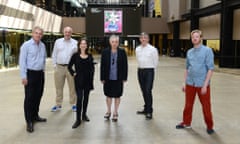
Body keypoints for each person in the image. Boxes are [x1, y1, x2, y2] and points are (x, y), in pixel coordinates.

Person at [176, 29, 215, 135]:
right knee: (188, 105)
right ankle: (186, 122)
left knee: (206, 106)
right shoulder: (189, 52)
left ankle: (209, 126)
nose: (194, 38)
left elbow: (210, 69)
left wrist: (205, 85)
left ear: (201, 38)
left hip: (202, 84)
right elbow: (187, 68)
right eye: (193, 37)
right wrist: (184, 82)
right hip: (190, 83)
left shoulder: (207, 51)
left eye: (197, 37)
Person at [19, 26, 47, 133]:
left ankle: (35, 116)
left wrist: (43, 70)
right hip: (30, 74)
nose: (38, 35)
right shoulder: (26, 46)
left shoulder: (43, 45)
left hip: (40, 74)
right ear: (32, 33)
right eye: (36, 33)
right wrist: (23, 76)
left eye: (40, 33)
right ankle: (29, 121)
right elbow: (22, 62)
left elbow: (43, 59)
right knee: (29, 98)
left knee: (38, 95)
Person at [68, 38, 95, 129]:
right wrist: (73, 73)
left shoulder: (90, 56)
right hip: (78, 80)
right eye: (81, 43)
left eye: (85, 44)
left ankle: (84, 115)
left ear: (87, 46)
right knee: (79, 98)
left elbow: (92, 68)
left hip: (88, 81)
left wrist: (91, 79)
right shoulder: (75, 56)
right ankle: (78, 119)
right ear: (79, 45)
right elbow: (69, 66)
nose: (83, 45)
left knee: (86, 98)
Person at [100, 35, 128, 122]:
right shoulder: (105, 52)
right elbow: (102, 66)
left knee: (117, 95)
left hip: (118, 78)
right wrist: (102, 77)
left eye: (116, 42)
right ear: (110, 42)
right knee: (108, 95)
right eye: (113, 42)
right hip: (108, 78)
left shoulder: (122, 52)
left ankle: (115, 112)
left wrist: (124, 77)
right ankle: (108, 111)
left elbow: (125, 66)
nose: (114, 43)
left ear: (118, 42)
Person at [51, 26, 77, 112]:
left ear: (71, 33)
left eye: (69, 32)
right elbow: (54, 54)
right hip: (59, 67)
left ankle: (73, 104)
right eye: (66, 32)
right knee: (58, 87)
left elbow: (77, 56)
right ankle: (58, 104)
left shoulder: (75, 43)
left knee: (72, 87)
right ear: (63, 32)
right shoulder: (58, 42)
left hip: (70, 68)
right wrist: (55, 66)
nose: (67, 33)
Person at [135, 32, 159, 120]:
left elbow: (156, 62)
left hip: (149, 71)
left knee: (148, 90)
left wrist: (151, 70)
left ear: (148, 39)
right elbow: (138, 59)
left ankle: (149, 111)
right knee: (143, 90)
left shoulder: (153, 49)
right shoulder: (137, 49)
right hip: (140, 71)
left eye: (145, 38)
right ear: (140, 39)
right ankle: (146, 108)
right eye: (142, 38)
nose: (143, 39)